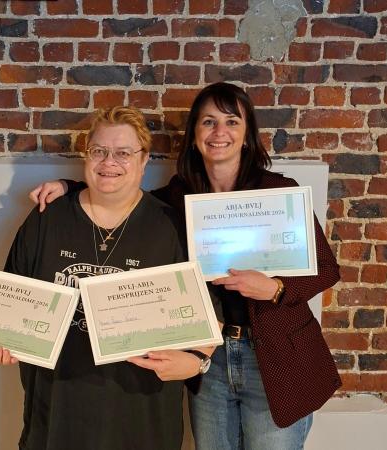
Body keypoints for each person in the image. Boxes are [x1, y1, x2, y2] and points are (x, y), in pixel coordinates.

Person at [29, 82, 341, 450]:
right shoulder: (179, 195)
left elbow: (326, 268)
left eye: (231, 122)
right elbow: (122, 187)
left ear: (246, 136)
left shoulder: (278, 190)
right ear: (194, 136)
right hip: (208, 355)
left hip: (274, 355)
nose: (219, 132)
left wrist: (275, 289)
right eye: (208, 122)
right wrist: (70, 186)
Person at [0, 106, 217, 450]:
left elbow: (207, 320)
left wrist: (197, 362)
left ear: (144, 160)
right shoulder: (47, 218)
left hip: (143, 417)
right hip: (57, 413)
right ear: (86, 155)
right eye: (99, 151)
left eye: (123, 153)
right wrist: (0, 339)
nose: (109, 162)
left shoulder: (171, 227)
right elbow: (6, 305)